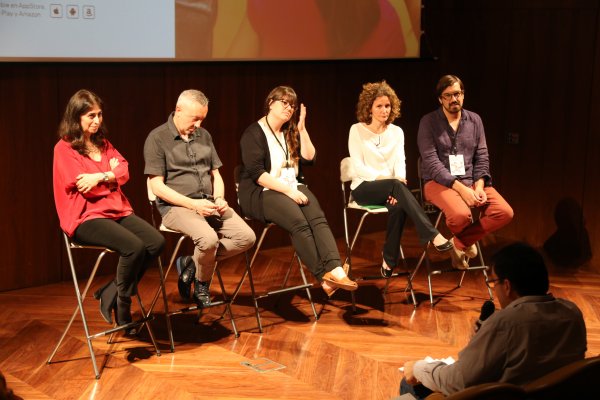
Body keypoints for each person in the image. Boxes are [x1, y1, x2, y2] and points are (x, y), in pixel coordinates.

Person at [400, 242, 587, 399]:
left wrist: (419, 368)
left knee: (409, 384)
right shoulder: (572, 313)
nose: (494, 289)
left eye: (493, 282)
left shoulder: (506, 323)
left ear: (507, 286)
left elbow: (459, 382)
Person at [53, 89, 165, 334]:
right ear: (76, 118)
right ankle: (123, 306)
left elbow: (125, 170)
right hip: (85, 217)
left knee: (156, 242)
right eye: (90, 116)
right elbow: (85, 188)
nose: (97, 120)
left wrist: (102, 176)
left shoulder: (103, 144)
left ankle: (111, 291)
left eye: (99, 114)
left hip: (116, 211)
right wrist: (111, 178)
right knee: (133, 247)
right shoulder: (64, 149)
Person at [238, 85, 357, 297]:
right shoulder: (253, 133)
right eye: (284, 102)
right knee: (299, 223)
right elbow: (257, 174)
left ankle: (336, 270)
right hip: (261, 191)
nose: (289, 108)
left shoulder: (290, 131)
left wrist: (302, 130)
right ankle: (323, 277)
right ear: (270, 103)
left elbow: (310, 158)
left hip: (291, 186)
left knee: (317, 218)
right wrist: (289, 192)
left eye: (292, 105)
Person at [144, 89, 255, 307]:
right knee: (209, 240)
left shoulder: (204, 136)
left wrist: (220, 198)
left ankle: (191, 264)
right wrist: (193, 204)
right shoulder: (157, 138)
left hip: (208, 203)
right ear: (178, 110)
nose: (198, 125)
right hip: (176, 208)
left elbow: (216, 174)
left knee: (246, 237)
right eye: (195, 118)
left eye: (202, 119)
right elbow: (156, 186)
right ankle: (201, 283)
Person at [348, 81, 454, 278]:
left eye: (387, 106)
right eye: (379, 106)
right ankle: (432, 234)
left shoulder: (397, 132)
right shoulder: (357, 130)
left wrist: (397, 183)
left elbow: (400, 161)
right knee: (395, 185)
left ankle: (388, 262)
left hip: (391, 188)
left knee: (398, 206)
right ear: (369, 108)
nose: (384, 110)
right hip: (364, 187)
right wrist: (391, 184)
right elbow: (358, 167)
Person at [417, 75, 514, 269]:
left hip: (472, 180)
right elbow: (431, 163)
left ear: (463, 95)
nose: (454, 99)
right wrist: (462, 190)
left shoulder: (475, 120)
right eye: (448, 95)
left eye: (458, 94)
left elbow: (482, 156)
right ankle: (465, 242)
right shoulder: (428, 122)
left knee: (504, 212)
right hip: (438, 182)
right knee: (461, 215)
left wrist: (479, 186)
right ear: (440, 99)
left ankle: (458, 244)